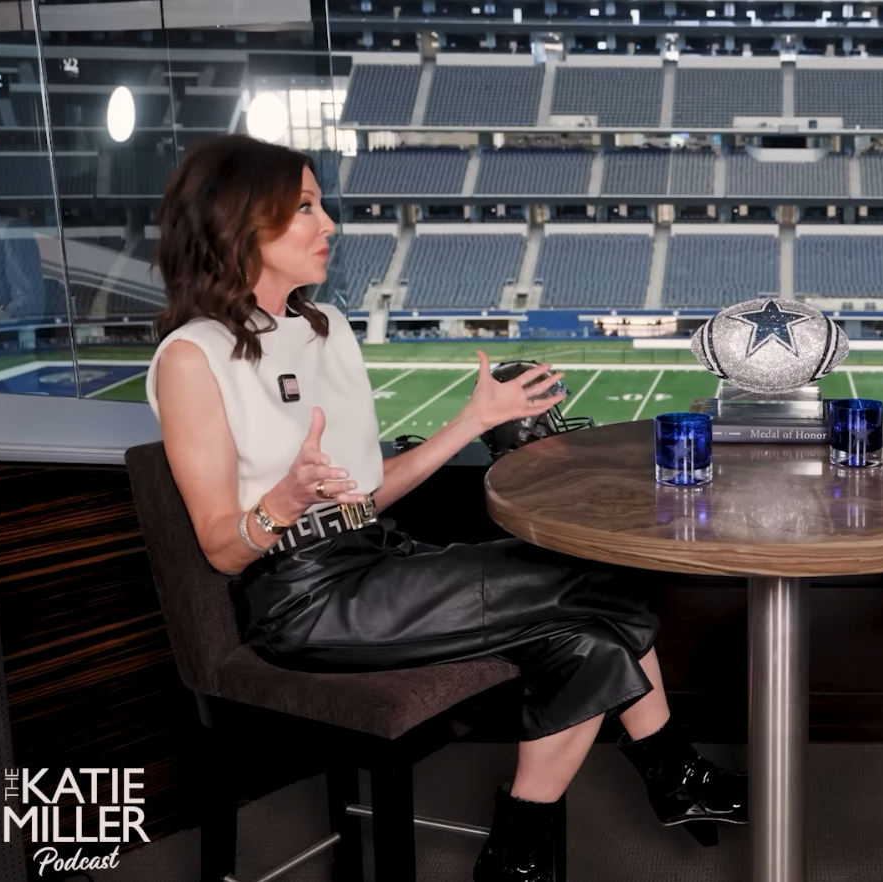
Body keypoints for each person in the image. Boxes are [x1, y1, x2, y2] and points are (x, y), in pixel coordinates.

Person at [144, 135, 745, 882]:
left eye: (321, 204)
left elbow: (368, 494)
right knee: (599, 579)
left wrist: (471, 422)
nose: (328, 223)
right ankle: (674, 773)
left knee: (588, 641)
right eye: (303, 208)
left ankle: (515, 859)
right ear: (239, 223)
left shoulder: (326, 328)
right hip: (302, 598)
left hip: (376, 560)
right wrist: (281, 502)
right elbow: (219, 547)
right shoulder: (192, 356)